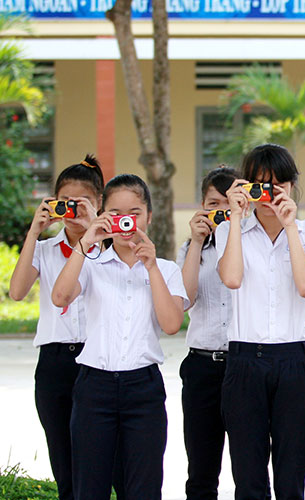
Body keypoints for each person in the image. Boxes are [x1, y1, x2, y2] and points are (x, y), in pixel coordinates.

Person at [51, 174, 188, 500]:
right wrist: (86, 242)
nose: (125, 221)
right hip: (93, 389)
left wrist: (151, 266)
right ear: (102, 215)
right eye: (115, 213)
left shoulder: (166, 269)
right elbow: (60, 297)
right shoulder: (91, 263)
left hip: (144, 390)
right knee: (90, 488)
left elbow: (171, 324)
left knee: (143, 488)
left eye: (134, 212)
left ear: (149, 216)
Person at [216, 144, 305, 500]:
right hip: (244, 359)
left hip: (294, 359)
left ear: (293, 186)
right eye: (260, 185)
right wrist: (234, 216)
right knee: (248, 477)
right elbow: (232, 279)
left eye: (278, 185)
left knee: (291, 475)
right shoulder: (230, 232)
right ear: (245, 186)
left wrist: (291, 225)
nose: (269, 194)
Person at [8, 155, 103, 500]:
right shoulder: (46, 250)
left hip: (98, 362)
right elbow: (16, 292)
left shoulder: (108, 252)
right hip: (54, 363)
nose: (75, 210)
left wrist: (96, 231)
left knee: (97, 463)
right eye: (67, 202)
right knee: (64, 465)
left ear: (99, 203)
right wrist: (35, 230)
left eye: (84, 203)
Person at [176, 166, 238, 500]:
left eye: (229, 205)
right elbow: (184, 300)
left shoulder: (252, 247)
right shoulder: (191, 250)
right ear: (202, 205)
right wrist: (199, 240)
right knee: (201, 471)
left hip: (243, 366)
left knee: (250, 468)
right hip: (202, 367)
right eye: (214, 203)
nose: (221, 212)